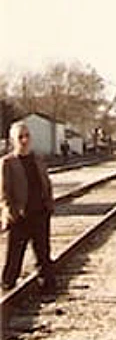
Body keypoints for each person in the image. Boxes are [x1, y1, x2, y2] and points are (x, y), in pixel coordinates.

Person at [1, 122, 55, 291]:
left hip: (40, 212)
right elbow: (3, 191)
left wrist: (49, 204)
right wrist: (9, 211)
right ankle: (7, 283)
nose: (24, 140)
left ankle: (47, 285)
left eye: (27, 136)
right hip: (20, 215)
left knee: (43, 252)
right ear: (13, 140)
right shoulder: (7, 163)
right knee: (15, 254)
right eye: (20, 137)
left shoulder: (37, 159)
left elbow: (46, 182)